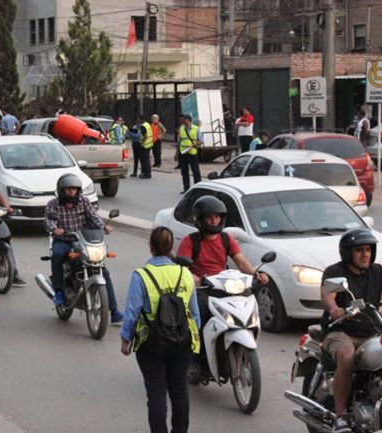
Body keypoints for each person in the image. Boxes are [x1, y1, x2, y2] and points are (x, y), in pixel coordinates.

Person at [176, 196, 269, 381]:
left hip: (224, 285)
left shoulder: (226, 239)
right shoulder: (190, 241)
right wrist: (196, 279)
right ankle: (196, 358)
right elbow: (183, 270)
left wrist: (257, 275)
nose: (214, 221)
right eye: (210, 217)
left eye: (218, 217)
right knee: (199, 316)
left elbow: (241, 262)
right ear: (200, 219)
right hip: (202, 288)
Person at [120, 226, 200, 433]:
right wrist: (191, 339)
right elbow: (195, 314)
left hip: (151, 344)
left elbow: (132, 312)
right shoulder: (185, 274)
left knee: (156, 395)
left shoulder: (141, 275)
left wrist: (125, 339)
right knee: (179, 391)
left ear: (151, 247)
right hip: (181, 342)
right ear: (171, 246)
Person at [320, 228, 382, 433]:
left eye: (368, 250)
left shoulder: (377, 271)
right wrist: (334, 309)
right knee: (347, 357)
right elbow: (326, 295)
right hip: (341, 331)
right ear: (348, 253)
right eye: (359, 250)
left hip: (371, 332)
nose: (365, 254)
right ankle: (340, 416)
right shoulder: (335, 272)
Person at [44, 173, 124, 323]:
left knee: (103, 270)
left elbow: (94, 218)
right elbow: (48, 221)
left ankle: (113, 311)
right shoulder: (53, 204)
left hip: (82, 241)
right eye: (68, 189)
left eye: (74, 189)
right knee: (57, 254)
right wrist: (55, 229)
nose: (71, 192)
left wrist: (104, 227)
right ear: (62, 190)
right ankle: (59, 291)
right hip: (64, 240)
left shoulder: (84, 202)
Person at [175, 114, 202, 194]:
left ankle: (198, 189)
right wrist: (176, 153)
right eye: (182, 120)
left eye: (184, 120)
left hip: (192, 153)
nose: (182, 121)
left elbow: (201, 141)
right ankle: (186, 188)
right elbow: (180, 141)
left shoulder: (196, 129)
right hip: (183, 153)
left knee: (195, 171)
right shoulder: (181, 128)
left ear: (188, 120)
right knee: (184, 171)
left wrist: (193, 145)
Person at [137, 114, 152, 179]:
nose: (138, 120)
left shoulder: (143, 126)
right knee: (147, 160)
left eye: (138, 119)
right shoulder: (147, 124)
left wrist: (141, 142)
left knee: (144, 160)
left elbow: (145, 136)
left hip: (144, 146)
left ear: (141, 119)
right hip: (149, 145)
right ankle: (148, 173)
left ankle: (146, 174)